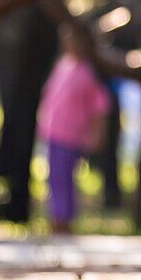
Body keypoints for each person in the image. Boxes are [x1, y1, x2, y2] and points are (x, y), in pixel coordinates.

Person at [36, 26, 111, 235]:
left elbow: (100, 106)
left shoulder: (87, 72)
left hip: (72, 134)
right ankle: (56, 218)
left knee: (65, 177)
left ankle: (65, 220)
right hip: (53, 132)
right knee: (54, 177)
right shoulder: (62, 65)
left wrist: (97, 134)